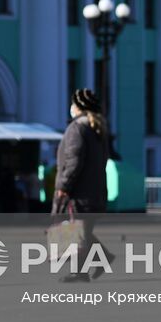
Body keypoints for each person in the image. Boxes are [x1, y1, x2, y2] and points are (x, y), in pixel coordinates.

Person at [53, 88, 112, 282]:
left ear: (78, 107)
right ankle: (101, 259)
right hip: (95, 192)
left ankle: (80, 271)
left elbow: (73, 161)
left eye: (74, 104)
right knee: (82, 232)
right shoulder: (98, 129)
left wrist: (64, 186)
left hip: (79, 192)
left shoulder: (77, 128)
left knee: (76, 232)